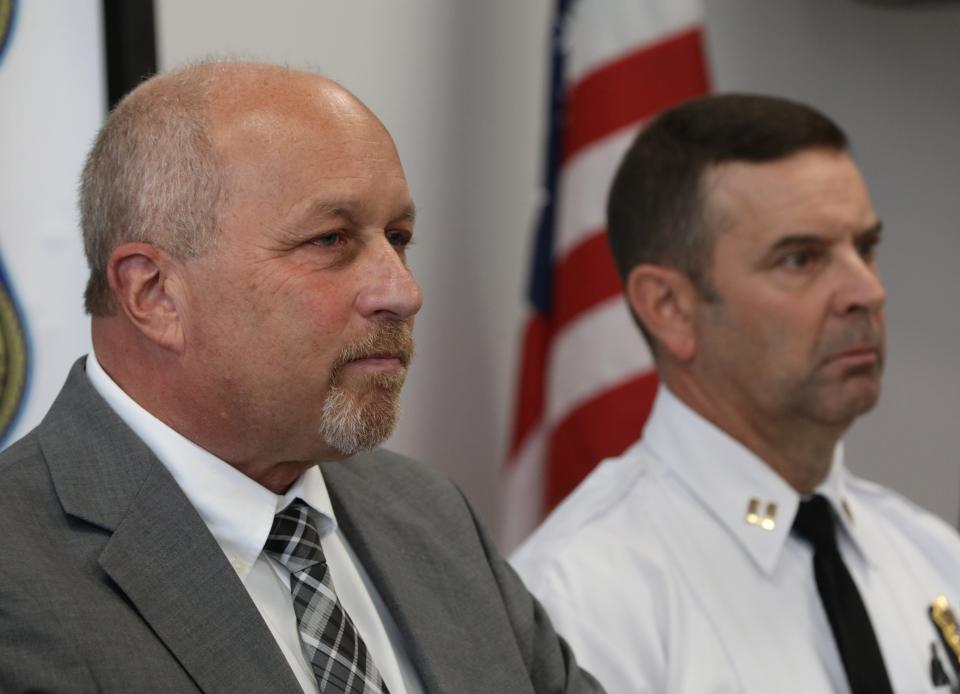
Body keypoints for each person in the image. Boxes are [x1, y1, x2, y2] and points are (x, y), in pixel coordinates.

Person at [0, 61, 602, 694]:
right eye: (331, 240)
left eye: (398, 237)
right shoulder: (18, 577)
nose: (403, 290)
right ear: (154, 294)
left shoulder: (429, 515)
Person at [512, 93, 960, 693]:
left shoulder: (932, 557)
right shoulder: (582, 599)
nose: (866, 291)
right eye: (801, 258)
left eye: (866, 248)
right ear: (669, 308)